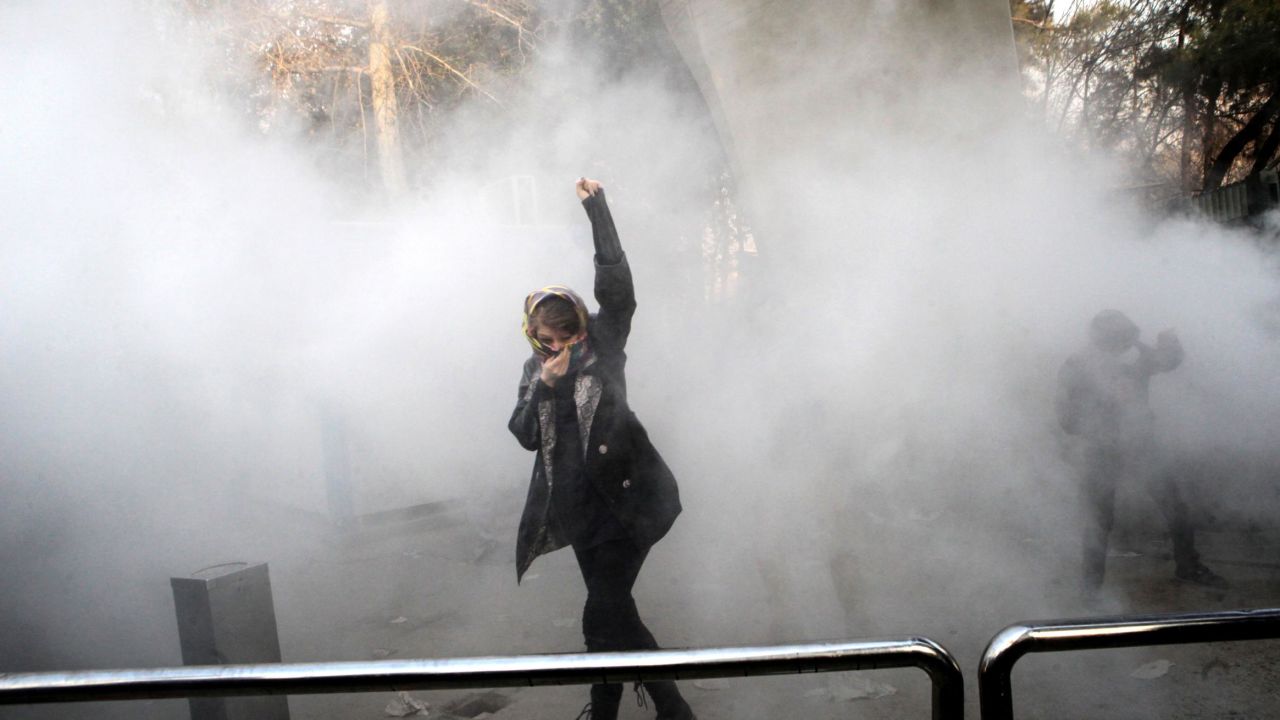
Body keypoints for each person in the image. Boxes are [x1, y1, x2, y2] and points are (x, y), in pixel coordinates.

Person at [508, 178, 695, 720]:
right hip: (579, 513)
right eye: (549, 338)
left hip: (630, 506)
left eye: (568, 337)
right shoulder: (533, 370)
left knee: (601, 614)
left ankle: (610, 708)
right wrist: (545, 385)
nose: (560, 348)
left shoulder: (603, 346)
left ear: (580, 330)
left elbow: (619, 293)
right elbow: (523, 435)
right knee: (617, 616)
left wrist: (598, 210)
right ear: (533, 333)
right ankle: (671, 707)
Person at [1056, 309, 1228, 594]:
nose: (1128, 346)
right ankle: (1090, 588)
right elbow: (1067, 420)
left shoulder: (1135, 355)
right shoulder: (1077, 365)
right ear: (1104, 340)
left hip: (1142, 443)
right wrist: (1103, 413)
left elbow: (1167, 361)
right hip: (1102, 449)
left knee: (1175, 507)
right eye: (1121, 340)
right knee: (1098, 519)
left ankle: (1188, 566)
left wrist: (1170, 342)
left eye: (1129, 339)